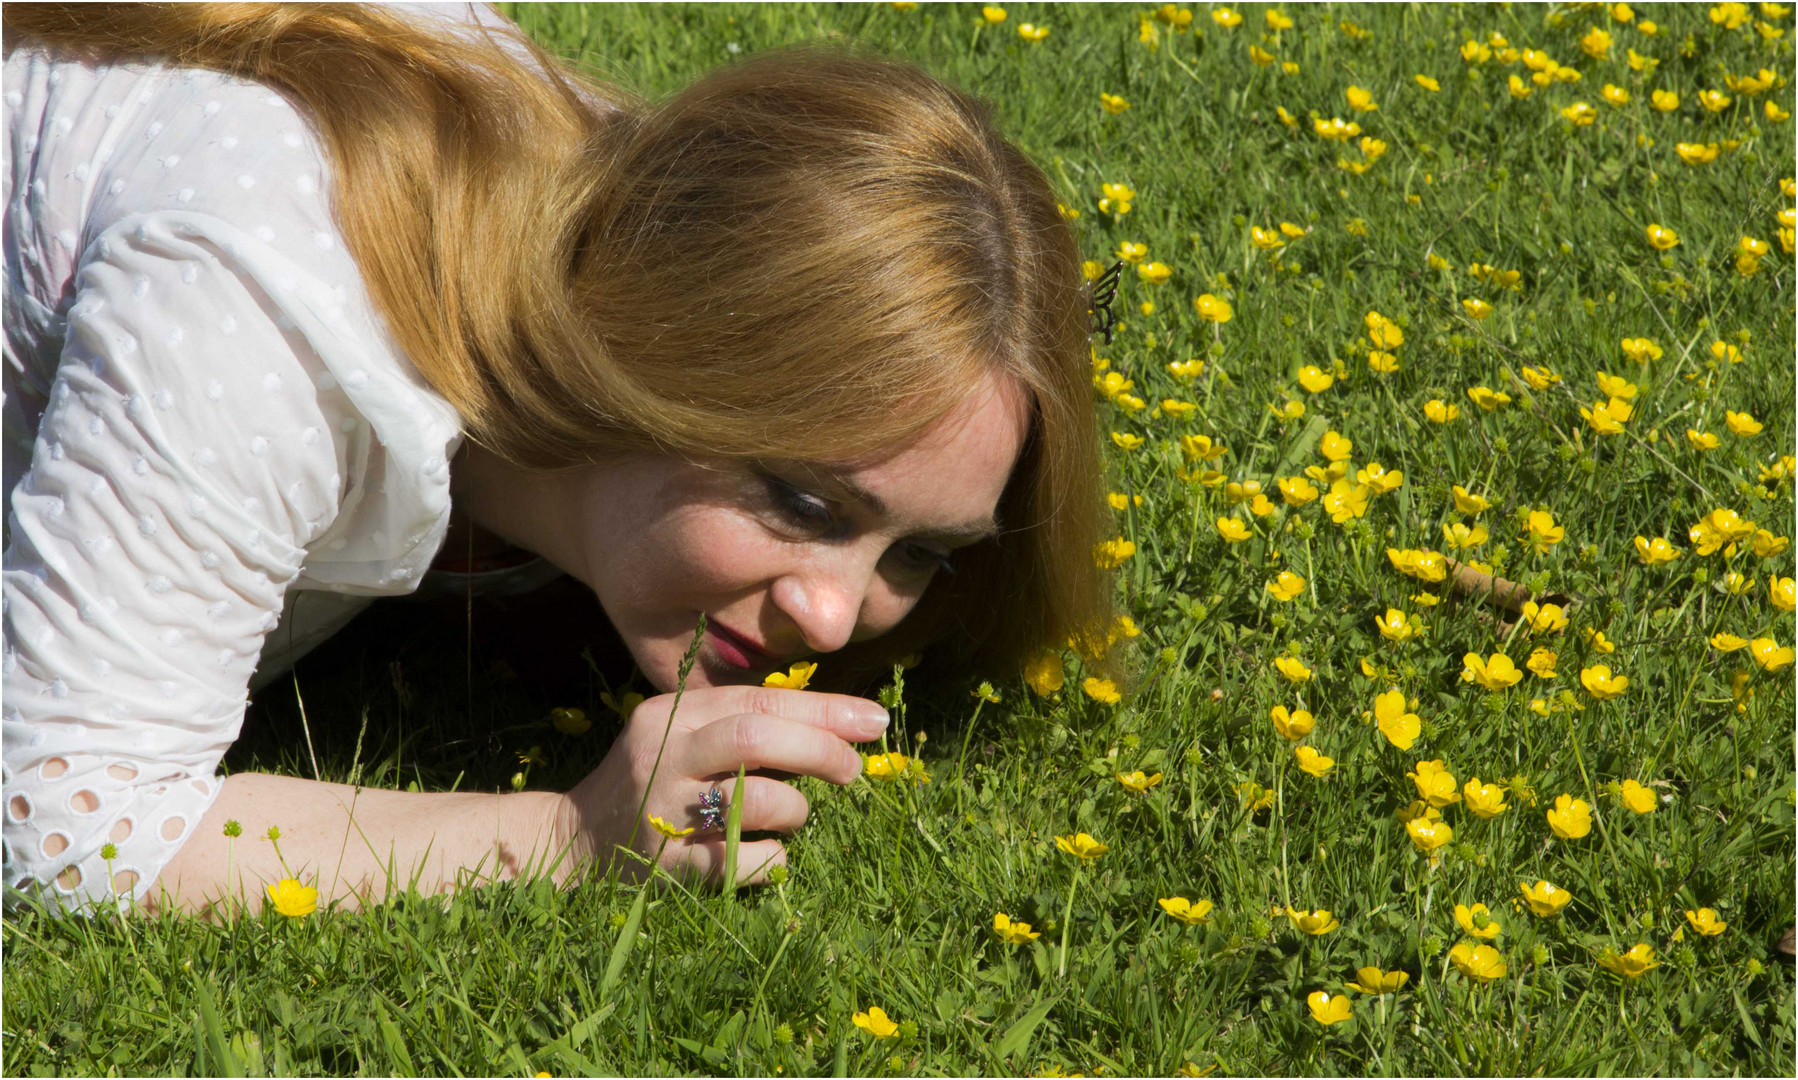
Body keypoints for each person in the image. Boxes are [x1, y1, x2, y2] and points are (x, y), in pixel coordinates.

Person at [2, 2, 1119, 918]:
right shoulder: (276, 320)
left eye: (917, 549)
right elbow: (55, 827)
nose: (833, 620)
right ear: (650, 353)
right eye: (802, 499)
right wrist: (572, 832)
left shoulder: (627, 212)